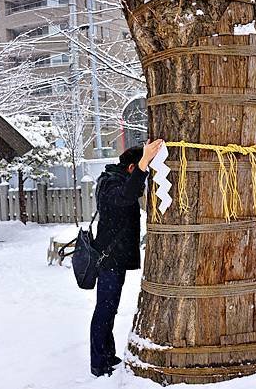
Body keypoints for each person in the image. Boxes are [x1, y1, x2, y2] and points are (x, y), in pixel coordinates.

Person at [90, 138, 164, 377]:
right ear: (132, 168)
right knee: (105, 310)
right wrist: (143, 162)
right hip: (109, 259)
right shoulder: (111, 183)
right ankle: (99, 363)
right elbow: (125, 197)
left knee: (109, 309)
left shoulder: (114, 178)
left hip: (115, 258)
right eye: (141, 171)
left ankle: (106, 355)